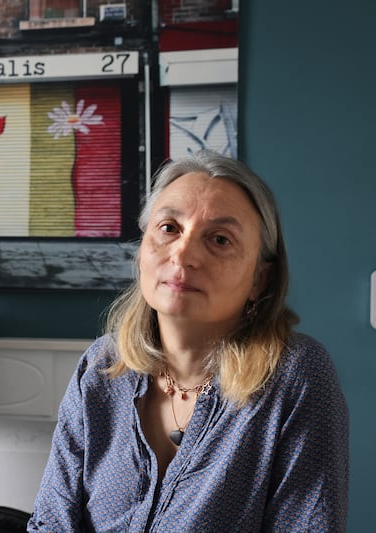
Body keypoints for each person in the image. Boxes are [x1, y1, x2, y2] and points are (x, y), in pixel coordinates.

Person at [27, 151, 349, 532]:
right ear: (142, 248)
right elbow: (51, 522)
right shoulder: (101, 365)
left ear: (259, 280)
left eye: (219, 239)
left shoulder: (296, 375)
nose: (183, 253)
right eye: (168, 228)